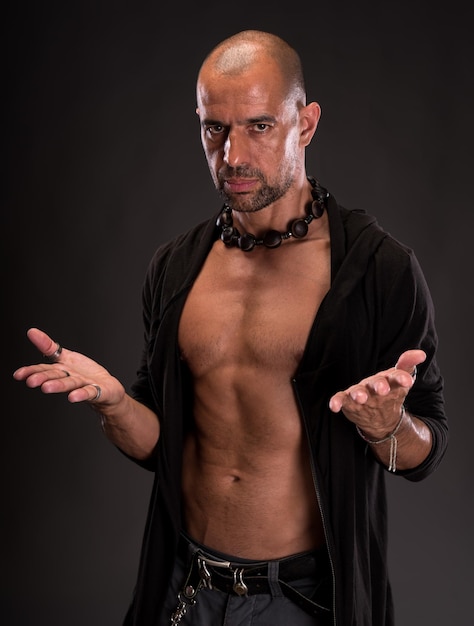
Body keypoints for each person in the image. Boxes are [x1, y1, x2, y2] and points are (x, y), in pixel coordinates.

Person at [13, 30, 448, 626]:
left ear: (307, 122)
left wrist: (389, 427)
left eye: (260, 126)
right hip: (185, 589)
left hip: (305, 600)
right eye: (214, 128)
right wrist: (114, 405)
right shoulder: (176, 266)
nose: (233, 155)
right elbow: (160, 448)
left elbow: (425, 450)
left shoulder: (377, 269)